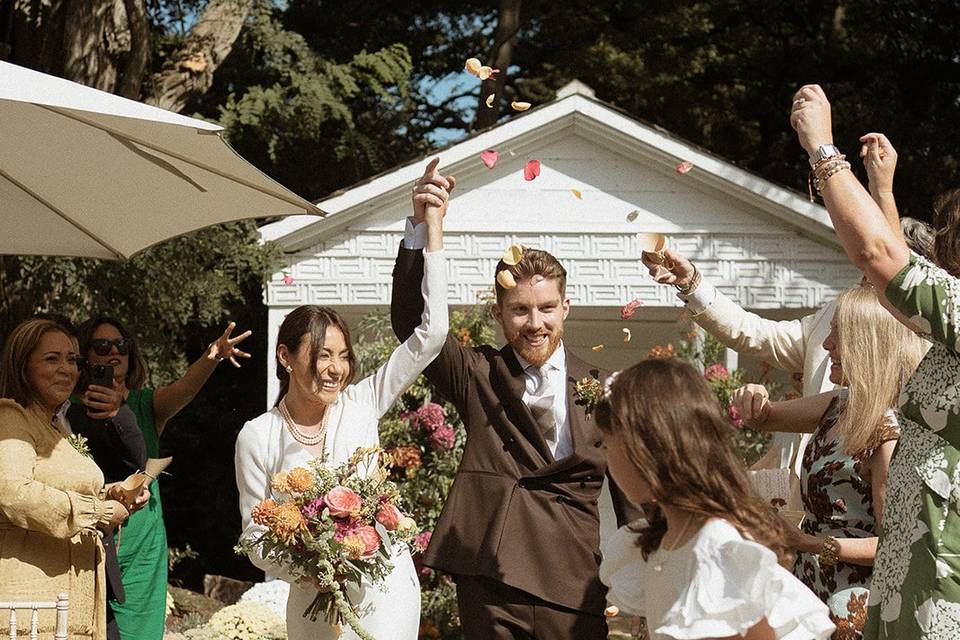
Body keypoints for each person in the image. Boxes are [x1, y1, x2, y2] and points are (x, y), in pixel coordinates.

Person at [391, 163, 641, 639]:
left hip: (574, 581)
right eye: (520, 310)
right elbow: (412, 325)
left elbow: (633, 499)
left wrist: (650, 580)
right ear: (499, 313)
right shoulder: (478, 373)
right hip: (491, 577)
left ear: (565, 308)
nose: (535, 323)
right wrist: (423, 226)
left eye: (546, 308)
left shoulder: (606, 387)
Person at [235, 158, 450, 640]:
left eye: (343, 356)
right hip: (313, 599)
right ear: (285, 356)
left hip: (384, 589)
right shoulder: (258, 436)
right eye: (322, 355)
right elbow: (253, 534)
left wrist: (428, 226)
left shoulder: (361, 404)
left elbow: (432, 333)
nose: (336, 368)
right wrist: (303, 565)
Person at [641, 133, 933, 480]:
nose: (866, 267)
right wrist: (691, 283)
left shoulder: (926, 335)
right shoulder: (831, 318)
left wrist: (878, 187)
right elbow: (754, 334)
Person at [789, 83, 960, 639]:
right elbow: (898, 286)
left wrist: (822, 149)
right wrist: (881, 190)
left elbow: (884, 262)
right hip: (906, 594)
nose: (945, 241)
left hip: (941, 603)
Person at [731, 286, 928, 638]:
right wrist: (753, 395)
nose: (826, 346)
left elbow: (894, 544)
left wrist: (807, 543)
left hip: (853, 606)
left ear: (866, 343)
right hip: (811, 588)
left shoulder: (888, 430)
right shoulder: (837, 404)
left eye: (837, 335)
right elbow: (762, 416)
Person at [597, 357, 835, 640]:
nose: (606, 458)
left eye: (607, 445)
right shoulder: (662, 541)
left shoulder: (717, 551)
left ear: (644, 451)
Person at [78, 316, 252, 640]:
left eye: (121, 345)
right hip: (88, 540)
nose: (113, 352)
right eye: (102, 346)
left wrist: (212, 355)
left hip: (142, 545)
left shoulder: (147, 405)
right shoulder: (69, 408)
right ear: (85, 355)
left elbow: (185, 387)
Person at [0, 318, 130, 640]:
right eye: (51, 359)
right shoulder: (11, 418)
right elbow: (13, 492)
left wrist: (110, 495)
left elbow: (58, 484)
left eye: (72, 360)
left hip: (71, 604)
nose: (66, 369)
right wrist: (97, 512)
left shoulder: (57, 425)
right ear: (22, 365)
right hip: (32, 611)